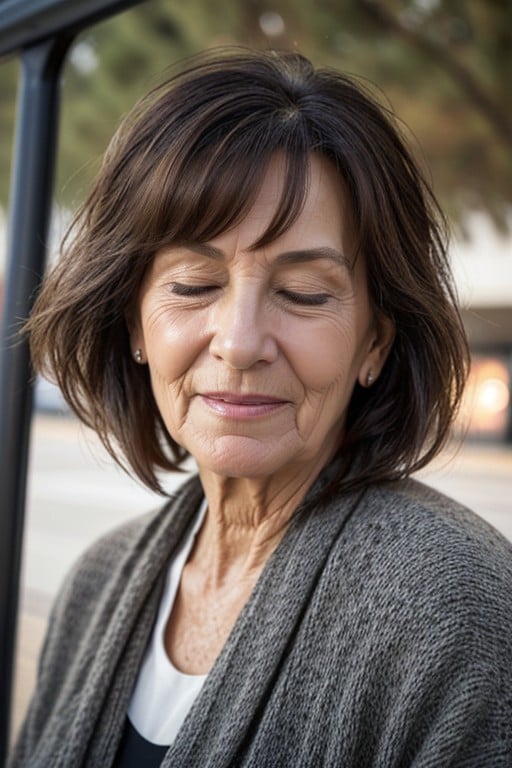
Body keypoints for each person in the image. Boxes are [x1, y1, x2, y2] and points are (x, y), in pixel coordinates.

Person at [10, 48, 512, 768]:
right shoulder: (97, 582)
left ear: (375, 339)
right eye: (192, 284)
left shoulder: (457, 613)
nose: (241, 344)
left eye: (304, 293)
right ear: (133, 323)